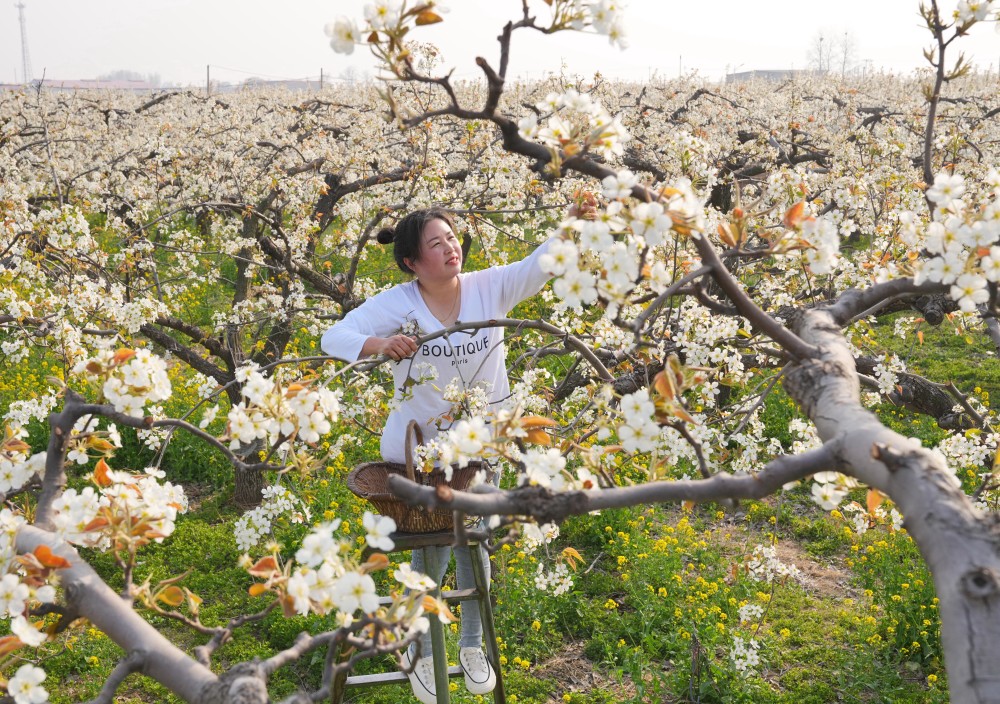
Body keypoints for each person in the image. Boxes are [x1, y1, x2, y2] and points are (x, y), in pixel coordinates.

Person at [321, 205, 579, 703]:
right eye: (436, 244)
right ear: (412, 262)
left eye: (452, 238)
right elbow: (335, 337)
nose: (450, 247)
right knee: (433, 550)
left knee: (475, 537)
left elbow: (542, 262)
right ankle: (419, 646)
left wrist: (571, 221)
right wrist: (382, 344)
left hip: (479, 449)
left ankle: (470, 645)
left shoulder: (489, 287)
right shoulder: (399, 303)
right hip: (416, 455)